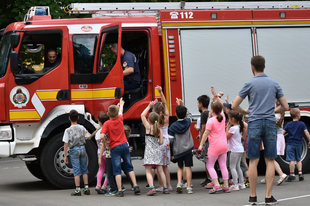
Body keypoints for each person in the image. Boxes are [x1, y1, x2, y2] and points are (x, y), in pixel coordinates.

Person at [232, 55, 289, 205]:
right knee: (270, 160)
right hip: (270, 123)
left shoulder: (249, 84)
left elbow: (234, 106)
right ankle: (269, 197)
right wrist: (273, 109)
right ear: (264, 66)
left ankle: (252, 197)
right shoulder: (274, 83)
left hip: (255, 123)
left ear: (252, 67)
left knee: (253, 160)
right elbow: (285, 106)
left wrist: (246, 113)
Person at [100, 98, 140, 197]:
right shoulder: (120, 119)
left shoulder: (107, 123)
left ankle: (120, 190)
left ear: (108, 114)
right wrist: (121, 104)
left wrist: (106, 142)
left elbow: (101, 136)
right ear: (117, 113)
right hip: (125, 146)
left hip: (115, 147)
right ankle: (135, 186)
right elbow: (121, 111)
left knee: (117, 170)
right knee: (129, 167)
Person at [198, 101, 231, 194]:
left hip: (214, 146)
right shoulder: (223, 117)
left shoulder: (210, 120)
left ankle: (216, 185)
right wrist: (217, 97)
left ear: (212, 110)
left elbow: (205, 133)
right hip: (224, 145)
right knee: (223, 166)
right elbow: (222, 109)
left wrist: (201, 145)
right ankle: (226, 186)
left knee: (210, 165)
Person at [141, 101, 169, 196]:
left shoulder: (148, 127)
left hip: (149, 151)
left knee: (148, 171)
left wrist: (149, 106)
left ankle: (152, 188)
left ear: (149, 120)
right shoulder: (159, 130)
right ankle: (165, 188)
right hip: (157, 151)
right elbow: (161, 142)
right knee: (160, 170)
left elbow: (142, 115)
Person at [63, 109, 91, 196]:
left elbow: (65, 143)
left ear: (69, 118)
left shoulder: (67, 130)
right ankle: (86, 188)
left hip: (74, 149)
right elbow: (89, 137)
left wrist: (65, 156)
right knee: (84, 169)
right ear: (78, 117)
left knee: (76, 170)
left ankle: (78, 190)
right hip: (82, 148)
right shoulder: (82, 127)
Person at [168, 98, 194, 194]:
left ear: (175, 114)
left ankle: (179, 183)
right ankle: (188, 187)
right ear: (185, 114)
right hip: (188, 149)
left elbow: (170, 139)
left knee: (180, 167)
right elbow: (190, 115)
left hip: (178, 150)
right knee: (188, 167)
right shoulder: (188, 121)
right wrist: (183, 105)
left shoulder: (173, 126)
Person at [260, 102, 288, 186]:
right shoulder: (280, 115)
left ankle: (281, 174)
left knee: (270, 158)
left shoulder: (275, 116)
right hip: (278, 137)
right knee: (267, 158)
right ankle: (267, 177)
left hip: (274, 137)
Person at [153, 86, 173, 192]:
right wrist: (161, 93)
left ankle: (161, 186)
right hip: (167, 142)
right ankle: (169, 185)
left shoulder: (155, 120)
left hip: (159, 142)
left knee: (159, 167)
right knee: (165, 167)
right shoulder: (166, 117)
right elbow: (165, 103)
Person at [283, 108, 310, 182]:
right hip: (299, 144)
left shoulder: (288, 124)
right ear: (298, 115)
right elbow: (306, 133)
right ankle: (300, 173)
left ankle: (292, 174)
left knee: (291, 159)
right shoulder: (302, 124)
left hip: (290, 143)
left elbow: (283, 133)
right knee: (298, 159)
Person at [226, 111, 246, 191]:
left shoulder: (232, 128)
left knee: (232, 167)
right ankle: (241, 183)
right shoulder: (239, 127)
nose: (228, 121)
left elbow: (226, 137)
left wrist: (227, 128)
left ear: (232, 119)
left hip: (234, 150)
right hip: (240, 149)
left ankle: (235, 184)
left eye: (229, 119)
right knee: (238, 167)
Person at [196, 95, 212, 187]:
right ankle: (208, 177)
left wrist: (201, 140)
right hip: (210, 139)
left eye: (198, 103)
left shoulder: (203, 114)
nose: (197, 105)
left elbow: (203, 129)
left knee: (207, 159)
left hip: (206, 141)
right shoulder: (209, 113)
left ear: (201, 104)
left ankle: (210, 178)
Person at [95, 113, 109, 194]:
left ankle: (98, 185)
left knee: (101, 170)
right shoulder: (107, 130)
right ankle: (104, 185)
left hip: (99, 153)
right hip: (107, 153)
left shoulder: (98, 132)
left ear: (99, 122)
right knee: (108, 171)